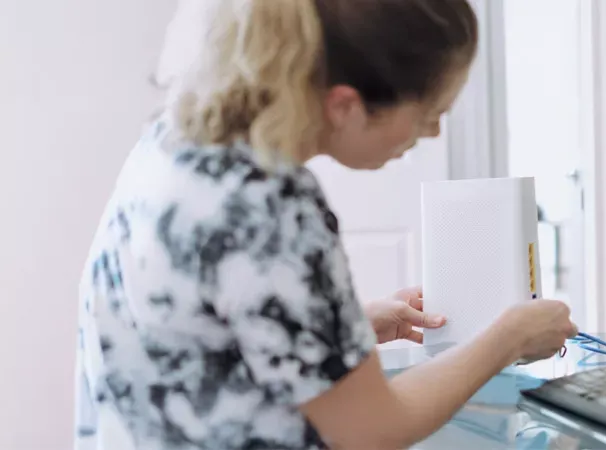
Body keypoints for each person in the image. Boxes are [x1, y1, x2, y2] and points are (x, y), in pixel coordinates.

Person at [75, 0, 578, 449]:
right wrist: (506, 338)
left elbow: (207, 332)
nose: (433, 132)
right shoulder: (270, 203)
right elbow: (373, 430)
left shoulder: (177, 141)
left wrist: (337, 330)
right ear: (345, 106)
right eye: (429, 113)